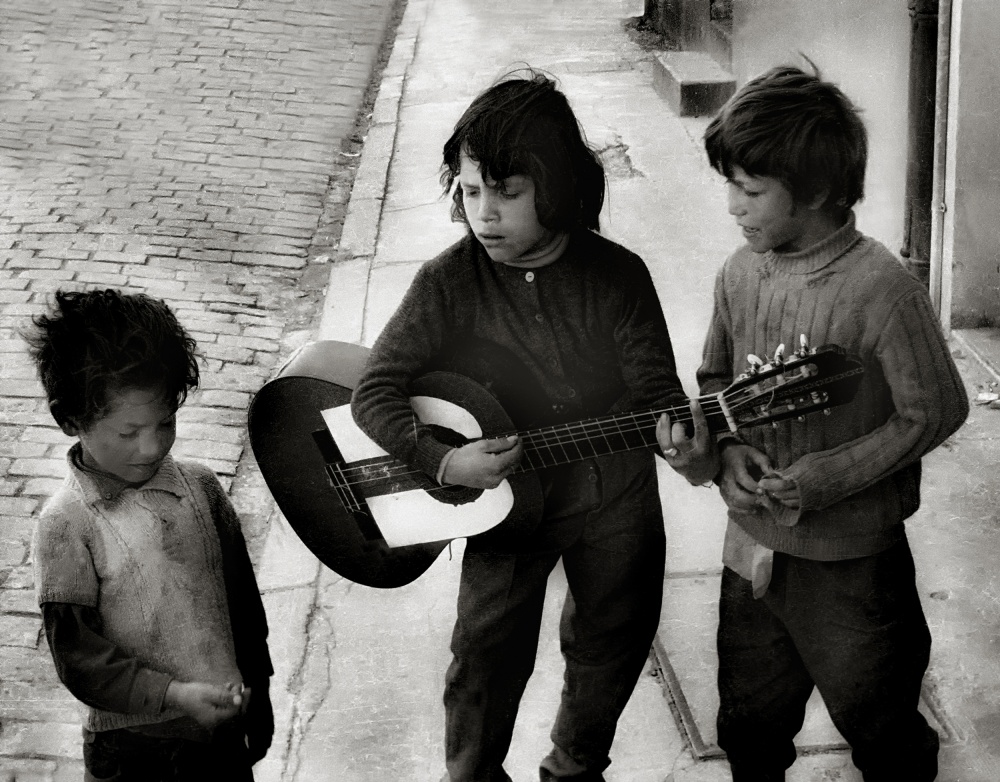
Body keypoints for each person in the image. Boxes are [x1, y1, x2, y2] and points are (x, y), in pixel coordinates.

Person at [351, 71, 712, 782]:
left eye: (507, 193)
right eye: (470, 192)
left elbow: (658, 394)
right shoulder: (448, 281)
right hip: (507, 505)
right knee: (483, 653)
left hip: (615, 495)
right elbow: (375, 393)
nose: (484, 214)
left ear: (557, 186)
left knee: (614, 636)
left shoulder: (618, 275)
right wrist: (443, 462)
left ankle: (576, 766)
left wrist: (683, 443)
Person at [670, 65, 970, 781]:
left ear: (816, 190)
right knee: (748, 722)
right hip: (751, 549)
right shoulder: (739, 273)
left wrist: (827, 478)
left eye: (750, 191)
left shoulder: (882, 289)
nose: (733, 208)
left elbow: (935, 409)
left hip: (854, 567)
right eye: (730, 187)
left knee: (882, 727)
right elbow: (716, 380)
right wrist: (726, 449)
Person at [26, 289, 274, 782]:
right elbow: (80, 660)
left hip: (220, 738)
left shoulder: (202, 489)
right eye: (128, 432)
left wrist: (260, 692)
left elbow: (244, 609)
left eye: (166, 423)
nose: (151, 446)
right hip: (131, 751)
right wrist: (173, 695)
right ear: (70, 420)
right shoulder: (66, 525)